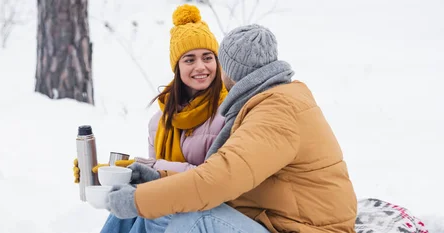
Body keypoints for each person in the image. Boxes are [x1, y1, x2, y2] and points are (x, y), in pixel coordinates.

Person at [105, 24, 358, 233]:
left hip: (307, 228)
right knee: (157, 212)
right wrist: (158, 179)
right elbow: (221, 177)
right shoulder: (268, 101)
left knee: (191, 219)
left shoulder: (276, 112)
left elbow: (215, 180)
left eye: (212, 59)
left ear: (229, 69)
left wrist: (139, 200)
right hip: (278, 219)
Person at [74, 4, 228, 232]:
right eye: (189, 60)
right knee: (126, 211)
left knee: (147, 213)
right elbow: (153, 180)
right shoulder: (160, 122)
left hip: (213, 208)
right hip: (175, 203)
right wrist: (106, 173)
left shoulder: (228, 111)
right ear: (177, 67)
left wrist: (150, 168)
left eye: (207, 57)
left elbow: (215, 177)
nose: (201, 67)